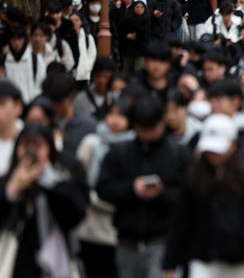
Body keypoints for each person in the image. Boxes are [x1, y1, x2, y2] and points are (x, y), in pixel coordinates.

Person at [163, 113, 244, 278]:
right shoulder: (195, 176)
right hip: (204, 258)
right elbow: (182, 219)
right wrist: (171, 261)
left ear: (233, 144)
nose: (213, 154)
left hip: (243, 261)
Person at [96, 95, 190, 278]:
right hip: (126, 240)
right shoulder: (119, 152)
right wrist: (132, 189)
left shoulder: (178, 154)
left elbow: (188, 196)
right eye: (142, 128)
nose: (147, 133)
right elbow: (103, 188)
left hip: (162, 241)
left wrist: (161, 193)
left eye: (151, 128)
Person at [0, 123, 89, 278]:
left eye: (38, 146)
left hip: (51, 261)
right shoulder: (6, 181)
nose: (31, 153)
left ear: (49, 149)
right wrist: (12, 190)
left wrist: (50, 182)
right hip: (15, 261)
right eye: (26, 146)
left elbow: (76, 215)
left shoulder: (61, 179)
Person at [75, 98, 135, 278]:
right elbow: (78, 178)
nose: (115, 120)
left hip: (118, 226)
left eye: (121, 116)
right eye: (111, 114)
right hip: (90, 224)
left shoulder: (133, 146)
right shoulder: (92, 142)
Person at [3, 25, 45, 104]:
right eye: (13, 40)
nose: (16, 43)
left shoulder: (35, 59)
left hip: (30, 104)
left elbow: (40, 84)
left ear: (25, 39)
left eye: (19, 39)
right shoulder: (4, 60)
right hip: (9, 106)